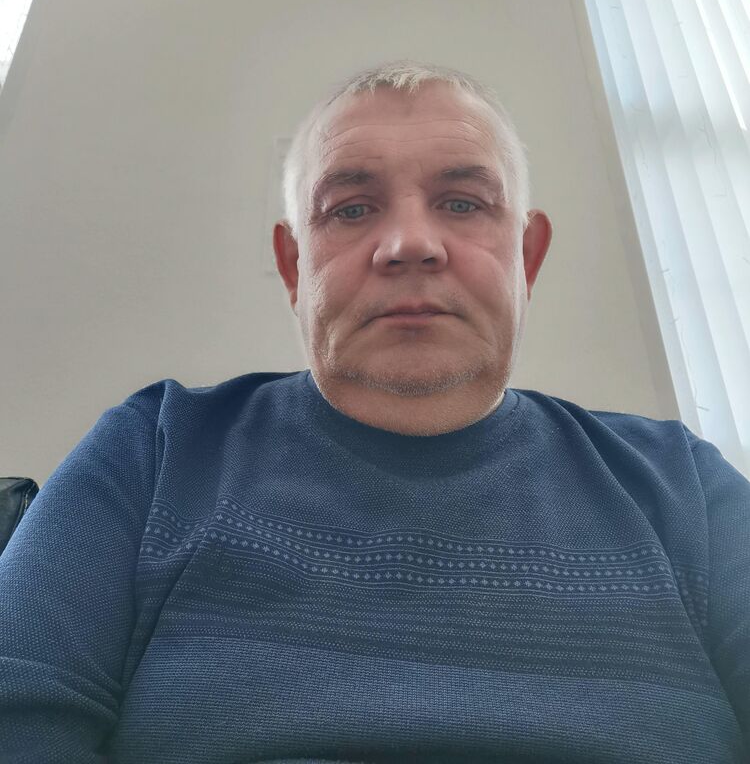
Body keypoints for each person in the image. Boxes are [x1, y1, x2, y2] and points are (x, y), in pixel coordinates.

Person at [0, 60, 748, 764]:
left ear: (528, 257)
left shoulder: (684, 484)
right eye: (352, 209)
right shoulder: (153, 448)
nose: (411, 244)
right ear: (294, 266)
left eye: (463, 203)